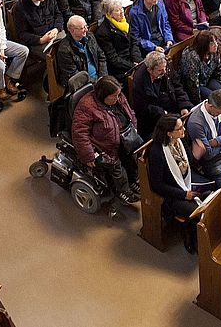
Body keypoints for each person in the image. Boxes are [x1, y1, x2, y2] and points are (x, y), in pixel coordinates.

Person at [72, 76, 138, 213]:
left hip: (125, 137)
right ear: (103, 95)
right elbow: (80, 133)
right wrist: (88, 155)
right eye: (114, 96)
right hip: (103, 146)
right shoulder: (87, 106)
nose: (117, 98)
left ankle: (134, 181)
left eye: (119, 94)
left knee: (132, 159)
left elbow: (128, 111)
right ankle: (123, 191)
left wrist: (134, 126)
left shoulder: (117, 95)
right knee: (117, 169)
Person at [145, 114, 202, 253]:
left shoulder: (179, 141)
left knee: (214, 194)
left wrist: (198, 153)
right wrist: (183, 195)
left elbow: (190, 163)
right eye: (180, 128)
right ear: (169, 133)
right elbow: (157, 185)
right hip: (172, 194)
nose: (184, 130)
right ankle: (191, 239)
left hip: (186, 181)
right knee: (198, 213)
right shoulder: (156, 152)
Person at [185, 89, 221, 189]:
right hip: (213, 163)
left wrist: (217, 141)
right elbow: (208, 154)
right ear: (211, 106)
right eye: (219, 112)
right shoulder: (196, 123)